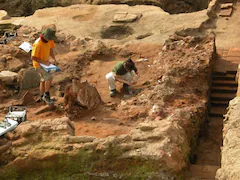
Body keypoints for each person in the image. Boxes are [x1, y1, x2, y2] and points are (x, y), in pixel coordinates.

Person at [31, 27, 57, 104]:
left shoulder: (49, 40)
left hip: (45, 63)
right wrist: (44, 62)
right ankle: (46, 95)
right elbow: (33, 57)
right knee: (49, 78)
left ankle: (42, 96)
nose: (50, 40)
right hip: (38, 64)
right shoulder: (37, 44)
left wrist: (53, 58)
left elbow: (50, 49)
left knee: (43, 80)